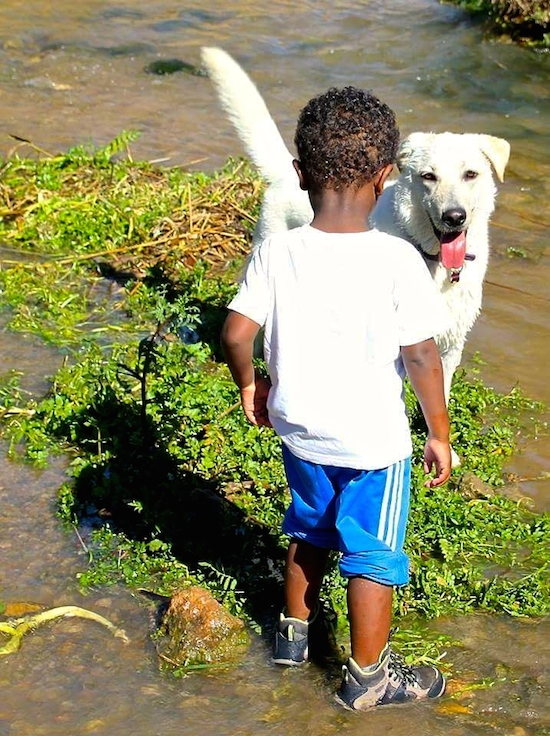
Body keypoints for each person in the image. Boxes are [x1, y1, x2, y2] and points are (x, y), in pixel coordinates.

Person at [220, 85, 452, 711]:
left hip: (300, 430)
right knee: (374, 554)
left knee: (311, 524)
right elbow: (423, 355)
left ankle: (293, 636)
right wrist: (439, 432)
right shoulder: (399, 259)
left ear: (299, 175)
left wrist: (252, 382)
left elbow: (236, 331)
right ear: (385, 177)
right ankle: (368, 680)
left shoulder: (278, 249)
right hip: (373, 444)